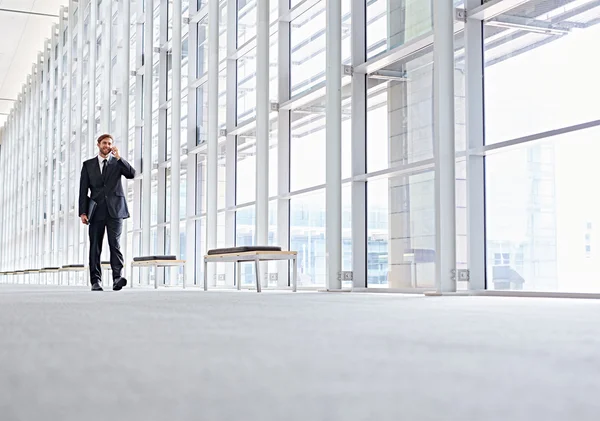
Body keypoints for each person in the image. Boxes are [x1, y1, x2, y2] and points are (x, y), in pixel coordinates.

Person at [79, 134, 136, 291]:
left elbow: (131, 174)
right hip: (96, 211)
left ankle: (117, 278)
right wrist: (83, 212)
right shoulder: (88, 165)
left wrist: (119, 158)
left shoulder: (117, 163)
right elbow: (83, 190)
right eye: (104, 143)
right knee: (95, 247)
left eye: (110, 143)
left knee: (115, 245)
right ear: (98, 144)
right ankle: (95, 281)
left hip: (116, 210)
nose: (107, 146)